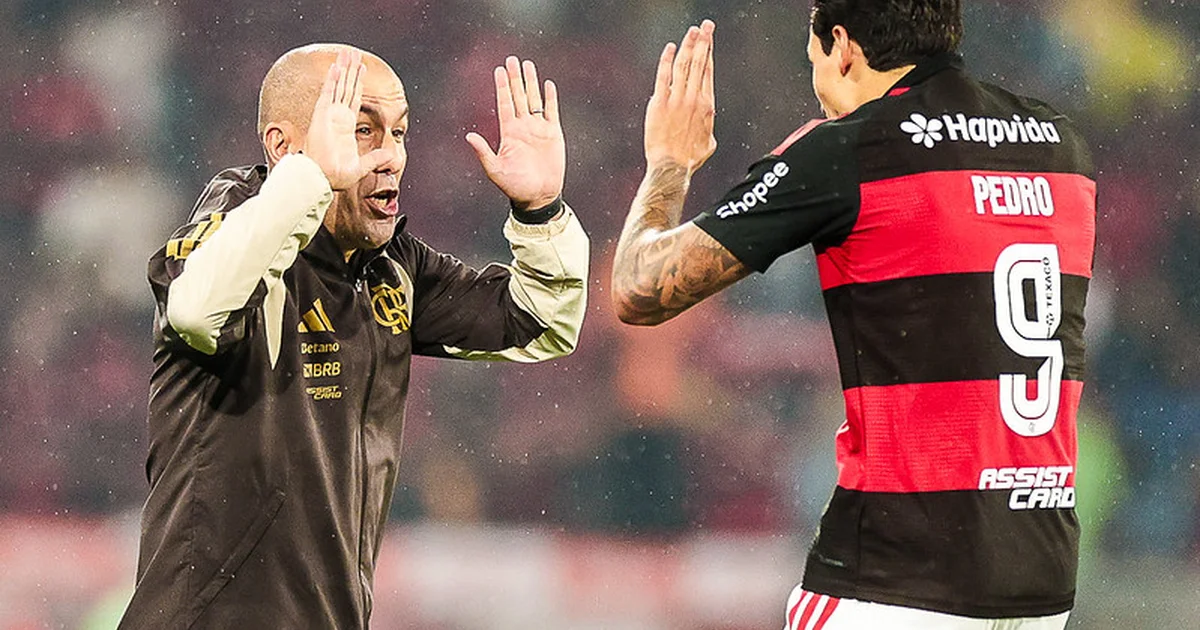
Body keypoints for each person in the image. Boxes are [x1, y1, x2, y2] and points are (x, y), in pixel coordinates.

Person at [611, 2, 1095, 628]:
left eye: (810, 53)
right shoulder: (1062, 145)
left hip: (897, 580)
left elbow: (638, 290)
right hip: (1039, 576)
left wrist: (670, 164)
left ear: (842, 44)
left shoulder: (850, 149)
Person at [119, 44, 588, 628]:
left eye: (400, 133)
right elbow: (196, 309)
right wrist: (311, 178)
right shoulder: (236, 218)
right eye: (362, 130)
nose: (390, 156)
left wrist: (540, 211)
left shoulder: (391, 266)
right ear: (283, 147)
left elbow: (543, 322)